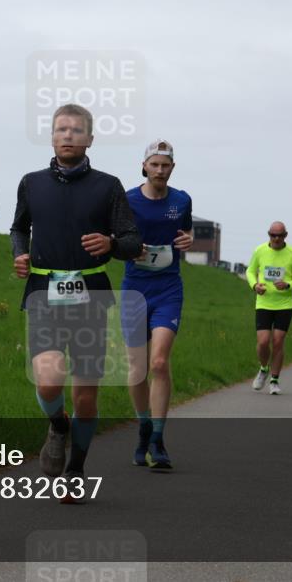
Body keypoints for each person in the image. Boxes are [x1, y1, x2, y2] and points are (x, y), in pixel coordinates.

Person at [11, 104, 141, 500]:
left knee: (86, 396)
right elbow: (19, 226)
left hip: (90, 297)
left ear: (89, 139)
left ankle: (76, 469)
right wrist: (20, 252)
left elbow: (132, 242)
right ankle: (58, 425)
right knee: (49, 381)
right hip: (43, 294)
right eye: (61, 129)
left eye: (76, 130)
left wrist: (112, 243)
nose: (67, 135)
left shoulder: (108, 186)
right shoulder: (32, 183)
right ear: (52, 136)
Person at [121, 140, 193, 470]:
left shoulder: (181, 200)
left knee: (159, 362)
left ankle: (158, 439)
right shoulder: (127, 199)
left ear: (172, 168)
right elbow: (113, 238)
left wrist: (187, 240)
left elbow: (185, 232)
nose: (160, 170)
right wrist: (127, 247)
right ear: (144, 166)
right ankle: (144, 425)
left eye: (166, 165)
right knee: (136, 368)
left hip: (168, 288)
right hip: (135, 289)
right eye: (155, 164)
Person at [247, 222, 292, 395]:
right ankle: (264, 368)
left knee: (278, 341)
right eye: (273, 235)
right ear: (269, 235)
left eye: (280, 235)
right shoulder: (260, 250)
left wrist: (288, 284)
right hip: (264, 302)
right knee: (263, 342)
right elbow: (250, 271)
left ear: (286, 235)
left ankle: (274, 379)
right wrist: (254, 285)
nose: (276, 238)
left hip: (284, 304)